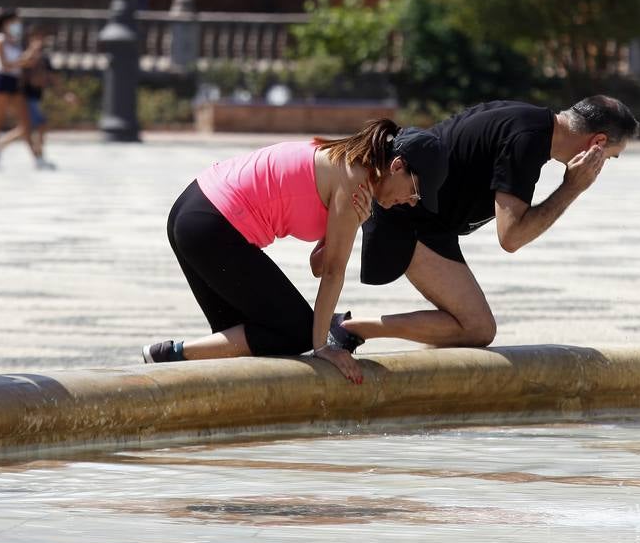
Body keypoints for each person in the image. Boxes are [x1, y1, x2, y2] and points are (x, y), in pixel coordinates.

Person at [142, 120, 448, 384]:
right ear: (397, 167)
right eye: (415, 193)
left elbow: (319, 264)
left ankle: (170, 357)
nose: (410, 203)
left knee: (243, 340)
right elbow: (332, 273)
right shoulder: (354, 180)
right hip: (211, 223)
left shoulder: (350, 167)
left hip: (193, 211)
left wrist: (359, 220)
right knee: (297, 332)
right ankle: (170, 354)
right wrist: (322, 348)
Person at [332, 96, 639, 352]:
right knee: (477, 327)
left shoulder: (530, 122)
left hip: (429, 221)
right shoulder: (527, 141)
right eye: (609, 158)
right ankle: (347, 328)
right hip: (406, 213)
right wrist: (572, 187)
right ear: (597, 143)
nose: (602, 167)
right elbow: (511, 237)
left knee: (461, 331)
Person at [0, 10, 45, 166]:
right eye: (14, 22)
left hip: (15, 81)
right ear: (6, 22)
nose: (17, 25)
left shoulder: (15, 42)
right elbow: (5, 65)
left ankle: (36, 157)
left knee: (26, 122)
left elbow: (25, 63)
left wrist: (33, 51)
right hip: (2, 81)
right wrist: (24, 58)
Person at [22, 55, 56, 169]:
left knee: (25, 128)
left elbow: (51, 78)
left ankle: (0, 145)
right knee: (41, 124)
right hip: (27, 98)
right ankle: (39, 157)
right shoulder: (27, 57)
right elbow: (33, 80)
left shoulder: (45, 59)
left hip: (36, 98)